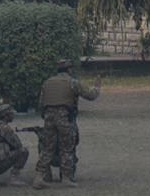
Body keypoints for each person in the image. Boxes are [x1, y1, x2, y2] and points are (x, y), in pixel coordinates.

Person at [33, 59, 101, 189]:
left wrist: (47, 116)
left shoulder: (47, 83)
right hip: (65, 118)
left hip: (49, 118)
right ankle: (66, 177)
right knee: (67, 148)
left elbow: (41, 105)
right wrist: (97, 86)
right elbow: (91, 95)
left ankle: (39, 177)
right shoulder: (72, 83)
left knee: (47, 148)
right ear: (69, 69)